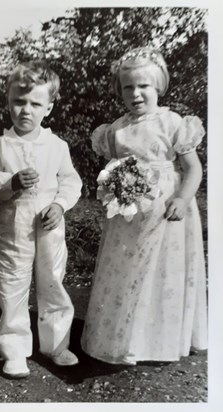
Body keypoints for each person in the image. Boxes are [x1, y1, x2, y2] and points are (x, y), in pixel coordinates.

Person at [81, 47, 207, 365]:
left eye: (143, 86)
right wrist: (112, 189)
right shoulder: (116, 130)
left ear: (158, 87)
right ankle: (125, 337)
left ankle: (159, 337)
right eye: (128, 87)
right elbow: (112, 170)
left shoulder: (173, 122)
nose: (135, 94)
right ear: (119, 90)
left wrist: (182, 198)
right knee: (128, 271)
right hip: (128, 215)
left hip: (166, 213)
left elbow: (193, 169)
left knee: (162, 273)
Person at [0, 61, 82, 378]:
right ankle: (14, 349)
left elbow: (71, 181)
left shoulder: (57, 145)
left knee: (52, 283)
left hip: (50, 229)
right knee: (12, 286)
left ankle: (55, 344)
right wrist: (9, 182)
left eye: (35, 104)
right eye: (18, 102)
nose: (25, 110)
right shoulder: (0, 145)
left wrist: (60, 205)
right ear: (8, 102)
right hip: (14, 231)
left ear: (48, 108)